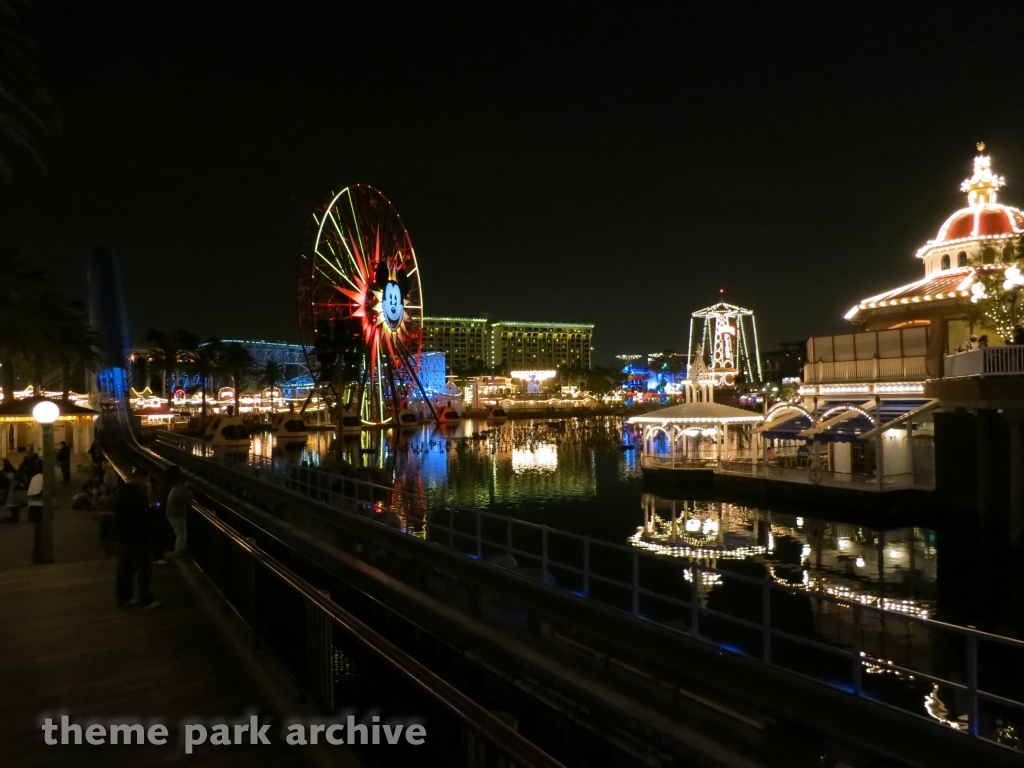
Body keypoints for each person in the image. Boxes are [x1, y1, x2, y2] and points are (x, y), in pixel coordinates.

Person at [114, 469, 157, 609]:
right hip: (138, 539)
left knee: (124, 570)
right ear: (139, 478)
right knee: (143, 570)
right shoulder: (137, 494)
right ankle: (145, 599)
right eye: (146, 480)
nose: (146, 483)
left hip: (123, 537)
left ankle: (124, 598)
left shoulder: (121, 491)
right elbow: (142, 517)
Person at [165, 475, 193, 557]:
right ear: (181, 483)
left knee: (179, 533)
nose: (187, 485)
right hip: (176, 515)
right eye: (186, 483)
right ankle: (178, 552)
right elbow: (190, 494)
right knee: (181, 534)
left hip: (173, 514)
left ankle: (178, 551)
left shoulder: (174, 489)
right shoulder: (179, 491)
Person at [26, 470, 49, 563]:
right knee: (41, 535)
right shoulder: (44, 478)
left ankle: (37, 555)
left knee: (38, 534)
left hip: (32, 508)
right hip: (40, 507)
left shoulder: (34, 478)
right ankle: (39, 556)